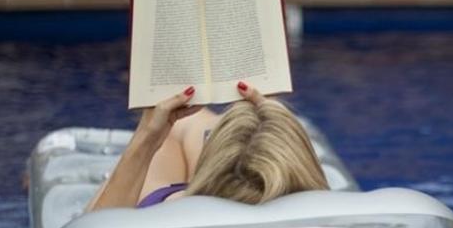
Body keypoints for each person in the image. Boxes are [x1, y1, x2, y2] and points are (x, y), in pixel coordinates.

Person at [86, 81, 328, 212]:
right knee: (201, 128)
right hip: (246, 190)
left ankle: (185, 127)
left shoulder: (168, 213)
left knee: (181, 131)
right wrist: (275, 121)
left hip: (199, 204)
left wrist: (147, 139)